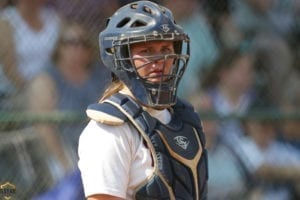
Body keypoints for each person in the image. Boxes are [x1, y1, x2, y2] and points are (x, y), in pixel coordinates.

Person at [78, 1, 208, 200]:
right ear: (121, 56)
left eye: (165, 48)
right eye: (146, 51)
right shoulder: (109, 129)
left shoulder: (185, 118)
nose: (160, 60)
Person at [27, 20, 110, 187]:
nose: (78, 48)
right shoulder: (46, 79)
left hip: (100, 145)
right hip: (64, 148)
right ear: (59, 47)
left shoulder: (101, 76)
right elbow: (44, 126)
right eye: (71, 42)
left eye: (83, 43)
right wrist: (64, 161)